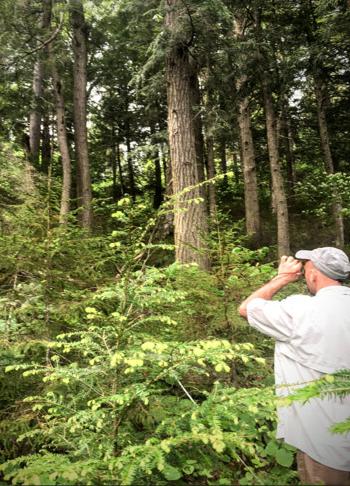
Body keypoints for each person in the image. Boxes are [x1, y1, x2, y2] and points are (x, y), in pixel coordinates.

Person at [238, 247, 350, 485]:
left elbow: (247, 308)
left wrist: (283, 277)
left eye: (306, 266)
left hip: (324, 444)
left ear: (313, 274)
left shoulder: (300, 309)